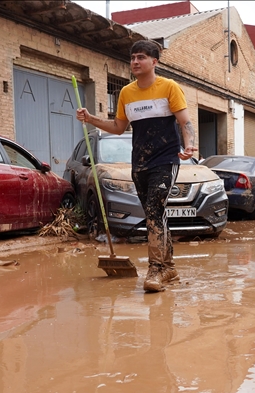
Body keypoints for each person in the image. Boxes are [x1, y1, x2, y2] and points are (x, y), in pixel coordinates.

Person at [76, 40, 197, 292]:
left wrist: (190, 146)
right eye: (132, 58)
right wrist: (91, 119)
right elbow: (118, 127)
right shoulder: (126, 93)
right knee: (156, 214)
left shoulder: (169, 87)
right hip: (139, 163)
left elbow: (185, 121)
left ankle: (155, 270)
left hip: (165, 160)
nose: (135, 62)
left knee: (154, 210)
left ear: (155, 61)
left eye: (141, 57)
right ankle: (170, 268)